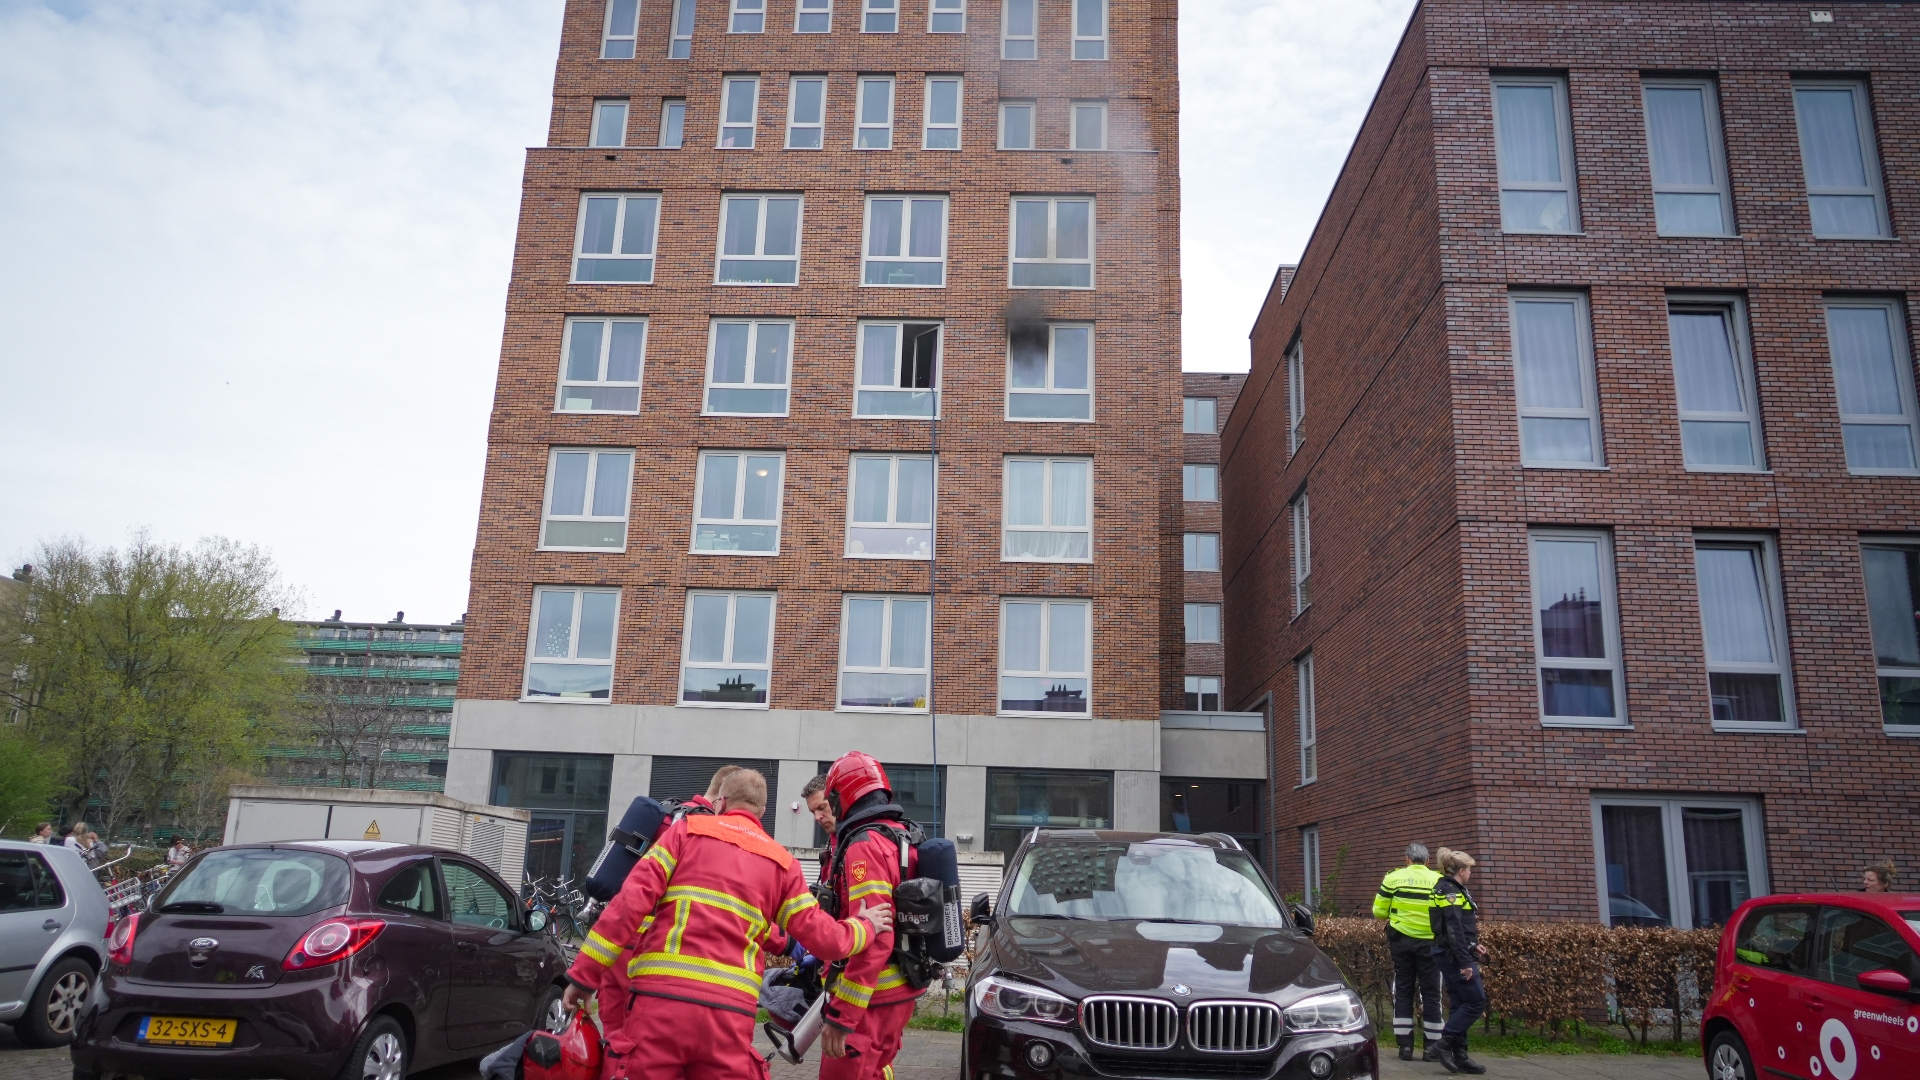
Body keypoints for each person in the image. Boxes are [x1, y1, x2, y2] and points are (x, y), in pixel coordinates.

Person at [562, 768, 892, 1080]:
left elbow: (627, 907)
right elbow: (824, 938)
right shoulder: (782, 863)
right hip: (728, 1018)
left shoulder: (684, 833)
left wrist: (584, 976)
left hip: (659, 1006)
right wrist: (865, 925)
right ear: (762, 812)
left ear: (720, 802)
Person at [818, 752, 925, 1080]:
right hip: (897, 990)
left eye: (831, 800)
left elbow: (876, 937)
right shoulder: (898, 836)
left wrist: (841, 1017)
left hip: (870, 1000)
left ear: (845, 794)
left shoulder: (864, 845)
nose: (831, 810)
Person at [1373, 842, 1443, 1061]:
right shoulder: (1438, 881)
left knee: (1403, 989)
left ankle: (1405, 1047)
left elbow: (1378, 911)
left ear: (1407, 859)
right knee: (1431, 993)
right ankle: (1431, 1048)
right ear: (1428, 861)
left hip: (1401, 942)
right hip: (1431, 945)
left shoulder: (1393, 878)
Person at [1428, 848, 1487, 1075]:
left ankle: (1460, 1056)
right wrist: (1465, 962)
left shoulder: (1452, 889)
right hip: (1453, 956)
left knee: (1461, 1003)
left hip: (1452, 953)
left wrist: (1473, 945)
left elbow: (1459, 928)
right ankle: (1443, 1046)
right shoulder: (1449, 892)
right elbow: (1452, 929)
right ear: (1461, 871)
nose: (1471, 872)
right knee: (1476, 1001)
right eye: (1470, 869)